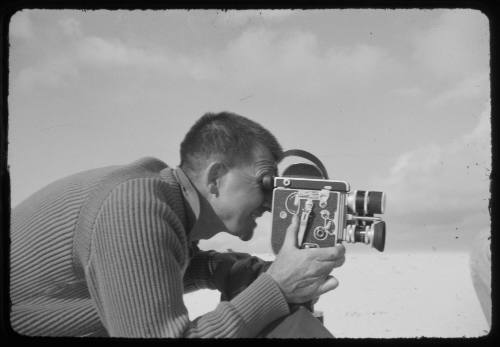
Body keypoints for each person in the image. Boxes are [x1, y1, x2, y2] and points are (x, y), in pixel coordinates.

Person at [10, 112, 346, 338]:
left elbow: (141, 276)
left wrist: (223, 268)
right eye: (266, 182)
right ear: (215, 178)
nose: (271, 201)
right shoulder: (134, 207)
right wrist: (275, 287)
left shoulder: (158, 195)